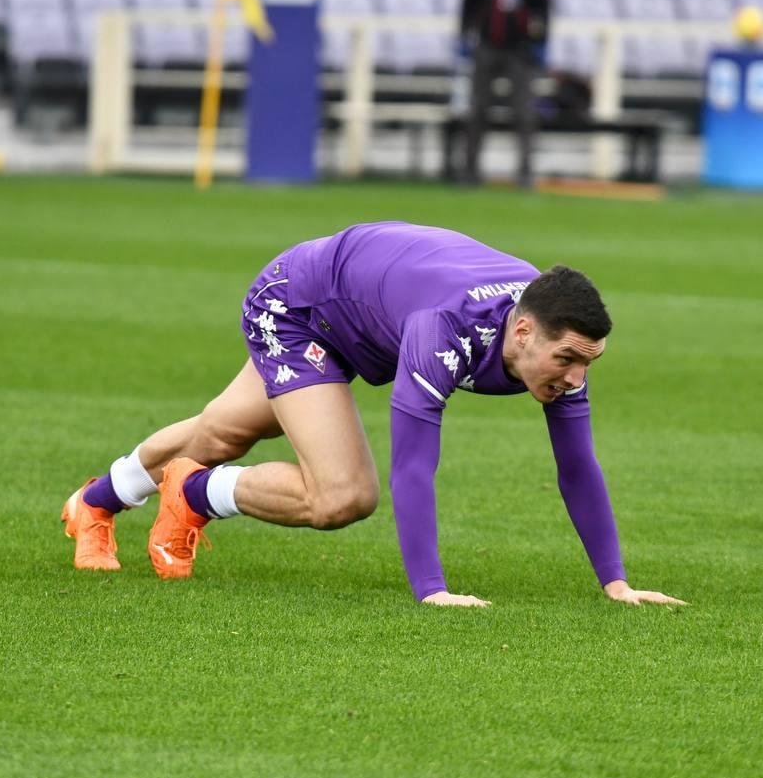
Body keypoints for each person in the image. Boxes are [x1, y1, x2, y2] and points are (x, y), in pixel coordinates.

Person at [61, 222, 684, 609]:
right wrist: (432, 589)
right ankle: (180, 491)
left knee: (219, 432)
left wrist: (616, 583)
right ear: (521, 332)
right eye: (569, 360)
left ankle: (113, 498)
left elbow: (577, 467)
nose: (576, 378)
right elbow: (414, 466)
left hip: (364, 313)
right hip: (299, 303)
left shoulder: (548, 338)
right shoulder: (445, 331)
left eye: (589, 364)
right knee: (343, 495)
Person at [459, 0, 550, 188]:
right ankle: (469, 171)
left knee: (524, 113)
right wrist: (464, 34)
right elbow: (469, 4)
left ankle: (525, 173)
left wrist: (541, 41)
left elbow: (542, 8)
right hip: (487, 44)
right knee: (477, 110)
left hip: (521, 48)